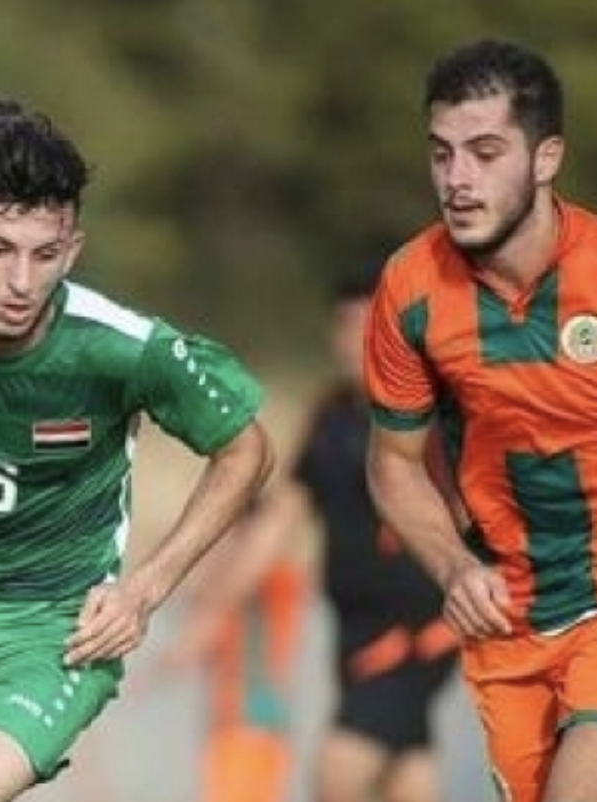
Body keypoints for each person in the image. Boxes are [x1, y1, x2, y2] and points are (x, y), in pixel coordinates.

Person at [0, 98, 274, 802]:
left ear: (72, 250)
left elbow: (245, 450)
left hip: (58, 633)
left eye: (45, 256)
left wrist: (144, 590)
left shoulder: (118, 348)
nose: (21, 282)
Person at [364, 38, 597, 802]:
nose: (457, 179)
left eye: (485, 153)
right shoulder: (410, 287)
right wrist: (454, 567)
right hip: (510, 627)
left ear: (546, 157)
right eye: (442, 154)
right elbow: (393, 463)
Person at [168, 267, 459, 802]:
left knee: (338, 772)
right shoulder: (330, 417)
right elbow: (279, 520)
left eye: (367, 327)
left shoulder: (434, 420)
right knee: (406, 772)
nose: (352, 342)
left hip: (416, 633)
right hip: (356, 630)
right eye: (344, 326)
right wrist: (211, 610)